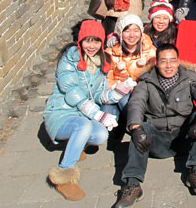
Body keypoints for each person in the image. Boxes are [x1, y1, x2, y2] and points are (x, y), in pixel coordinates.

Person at [114, 44, 196, 207]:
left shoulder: (189, 77)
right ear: (156, 62)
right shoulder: (146, 81)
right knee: (140, 128)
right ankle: (132, 184)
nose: (168, 66)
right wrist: (135, 127)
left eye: (172, 61)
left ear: (178, 62)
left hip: (186, 137)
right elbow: (136, 103)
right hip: (157, 141)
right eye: (164, 61)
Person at [43, 20, 136, 201]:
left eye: (96, 41)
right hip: (62, 113)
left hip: (81, 116)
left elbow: (101, 96)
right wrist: (99, 115)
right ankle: (63, 174)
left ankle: (76, 146)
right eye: (87, 41)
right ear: (80, 41)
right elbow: (72, 94)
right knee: (84, 126)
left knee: (101, 135)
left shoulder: (100, 64)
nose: (91, 46)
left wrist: (119, 91)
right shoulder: (69, 60)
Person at [103, 14, 156, 121]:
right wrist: (118, 88)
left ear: (141, 32)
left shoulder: (150, 52)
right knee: (106, 115)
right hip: (114, 93)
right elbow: (106, 78)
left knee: (129, 106)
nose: (132, 35)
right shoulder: (111, 52)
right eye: (127, 31)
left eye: (136, 30)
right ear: (120, 33)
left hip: (137, 94)